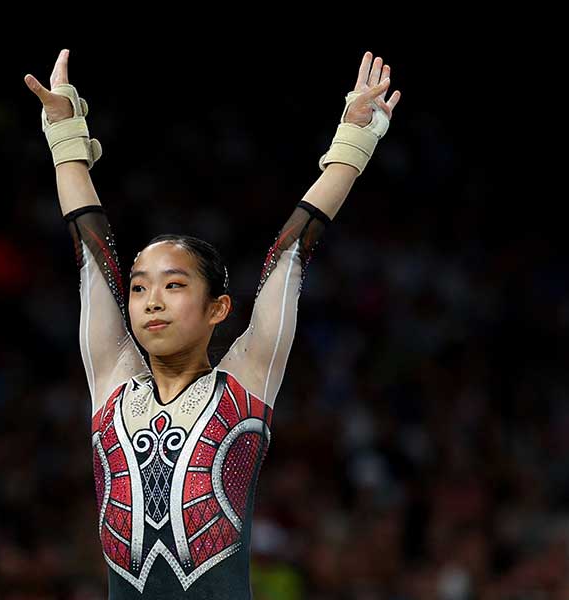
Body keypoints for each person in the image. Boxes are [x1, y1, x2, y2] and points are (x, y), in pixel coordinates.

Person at [25, 49, 400, 598]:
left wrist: (352, 143)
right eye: (139, 287)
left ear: (217, 310)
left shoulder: (244, 383)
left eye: (175, 285)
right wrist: (65, 138)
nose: (152, 300)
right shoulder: (111, 381)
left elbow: (290, 253)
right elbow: (90, 251)